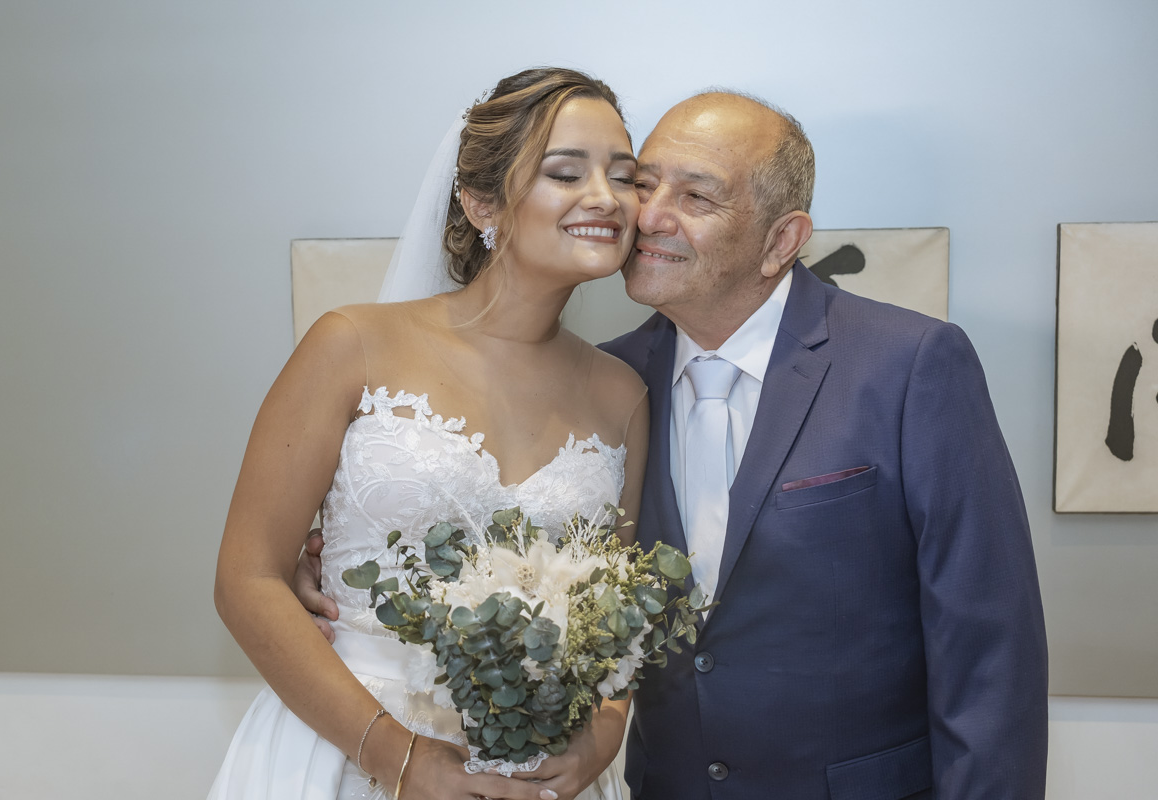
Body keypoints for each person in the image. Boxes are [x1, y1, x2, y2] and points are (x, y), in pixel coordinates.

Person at [298, 89, 1050, 799]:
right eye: (644, 184)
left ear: (782, 240)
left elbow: (990, 648)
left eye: (696, 198)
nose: (648, 216)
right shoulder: (612, 385)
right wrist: (326, 552)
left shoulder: (909, 365)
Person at [210, 67, 649, 800]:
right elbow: (246, 579)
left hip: (534, 774)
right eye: (566, 172)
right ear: (481, 201)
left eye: (625, 176)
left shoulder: (622, 395)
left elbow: (621, 616)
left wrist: (603, 732)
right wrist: (395, 755)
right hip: (345, 749)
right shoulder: (351, 344)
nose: (606, 197)